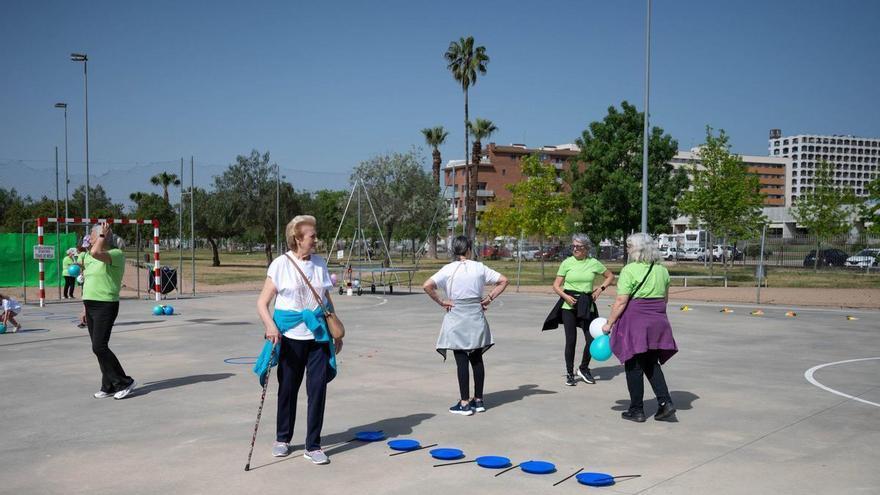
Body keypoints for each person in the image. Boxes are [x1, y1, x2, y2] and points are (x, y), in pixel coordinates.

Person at [257, 215, 342, 465]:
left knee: (318, 390)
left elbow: (325, 299)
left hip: (317, 337)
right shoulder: (280, 264)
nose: (316, 239)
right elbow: (262, 303)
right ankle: (282, 438)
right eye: (312, 236)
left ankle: (313, 445)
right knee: (288, 389)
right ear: (297, 238)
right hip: (290, 337)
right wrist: (270, 326)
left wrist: (335, 329)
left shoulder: (319, 263)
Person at [423, 236, 509, 416]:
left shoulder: (448, 269)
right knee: (477, 358)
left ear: (455, 250)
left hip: (456, 314)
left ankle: (464, 403)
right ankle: (478, 400)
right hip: (475, 314)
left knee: (461, 358)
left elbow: (427, 285)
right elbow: (504, 280)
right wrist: (489, 298)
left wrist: (441, 301)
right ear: (469, 249)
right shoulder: (479, 267)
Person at [603, 233, 678, 423]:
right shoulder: (662, 270)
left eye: (629, 246)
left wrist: (609, 323)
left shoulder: (630, 270)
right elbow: (665, 299)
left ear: (637, 249)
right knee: (651, 363)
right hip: (658, 320)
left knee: (633, 364)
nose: (627, 250)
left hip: (636, 322)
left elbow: (621, 301)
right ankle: (665, 403)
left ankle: (636, 409)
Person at [545, 234, 614, 386]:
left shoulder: (593, 263)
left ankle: (583, 368)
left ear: (586, 248)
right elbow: (556, 285)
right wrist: (565, 296)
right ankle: (570, 373)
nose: (575, 249)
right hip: (568, 304)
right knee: (571, 341)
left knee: (591, 339)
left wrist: (599, 289)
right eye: (573, 246)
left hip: (586, 303)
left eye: (578, 246)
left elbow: (610, 276)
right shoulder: (567, 263)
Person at [82, 223, 137, 400]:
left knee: (99, 346)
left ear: (102, 236)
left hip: (105, 305)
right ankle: (109, 385)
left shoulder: (116, 254)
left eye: (92, 234)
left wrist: (103, 236)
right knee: (98, 349)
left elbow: (96, 252)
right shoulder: (89, 258)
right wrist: (84, 308)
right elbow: (89, 281)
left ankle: (124, 381)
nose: (89, 238)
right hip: (90, 304)